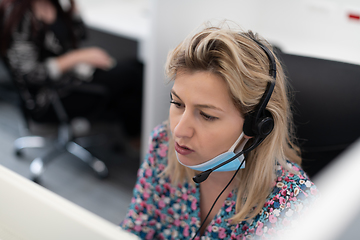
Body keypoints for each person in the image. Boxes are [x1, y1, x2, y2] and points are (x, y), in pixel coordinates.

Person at [120, 23, 318, 239]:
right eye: (177, 103)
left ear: (257, 125)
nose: (179, 130)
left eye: (207, 115)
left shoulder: (292, 205)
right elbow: (135, 230)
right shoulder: (162, 144)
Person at [0, 0, 143, 139]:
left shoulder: (54, 3)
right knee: (131, 76)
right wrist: (78, 57)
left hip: (73, 77)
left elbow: (80, 34)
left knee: (136, 66)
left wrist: (73, 7)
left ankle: (136, 140)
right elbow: (31, 74)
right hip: (50, 97)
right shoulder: (19, 15)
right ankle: (138, 142)